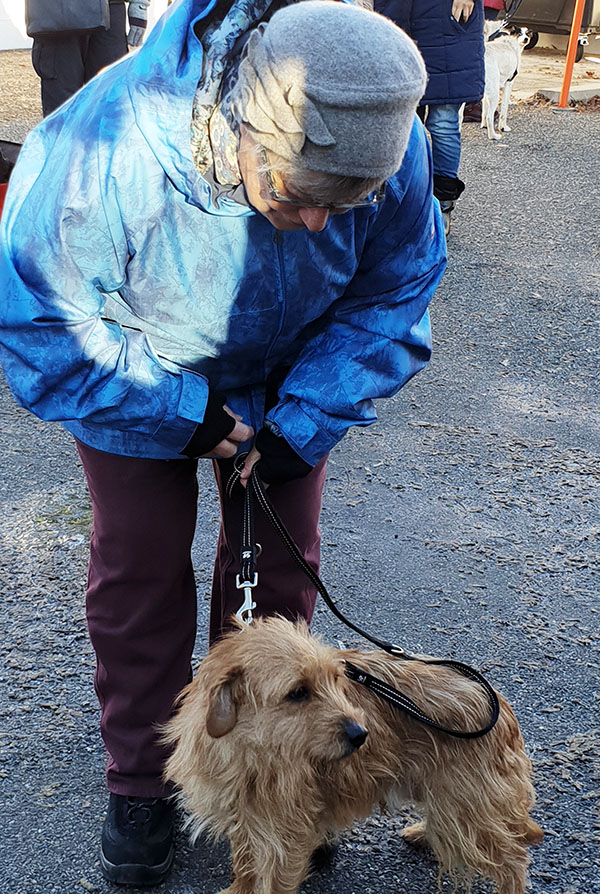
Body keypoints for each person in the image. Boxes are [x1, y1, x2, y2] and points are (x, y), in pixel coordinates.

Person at [0, 0, 446, 886]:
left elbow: (396, 290)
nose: (318, 225)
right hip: (134, 373)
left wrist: (305, 419)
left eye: (345, 205)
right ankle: (144, 779)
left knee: (278, 581)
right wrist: (183, 412)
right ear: (245, 128)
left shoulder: (391, 142)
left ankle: (283, 775)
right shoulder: (108, 141)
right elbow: (41, 318)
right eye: (298, 196)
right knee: (138, 572)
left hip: (292, 382)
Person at [376, 0, 485, 235]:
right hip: (397, 18)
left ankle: (442, 203)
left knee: (443, 123)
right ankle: (401, 202)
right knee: (400, 123)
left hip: (447, 22)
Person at [25, 0, 150, 117]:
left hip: (110, 9)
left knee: (110, 103)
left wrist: (140, 4)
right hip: (58, 10)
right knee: (62, 106)